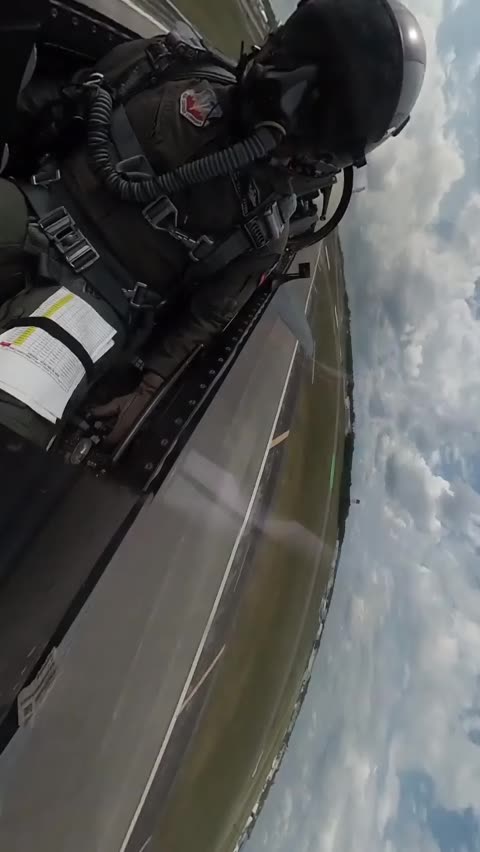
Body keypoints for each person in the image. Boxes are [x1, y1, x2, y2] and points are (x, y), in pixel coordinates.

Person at [0, 0, 426, 448]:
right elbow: (65, 101)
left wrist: (147, 387)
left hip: (88, 307)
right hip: (34, 208)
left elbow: (202, 319)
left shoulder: (263, 232)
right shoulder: (170, 65)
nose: (284, 90)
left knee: (13, 415)